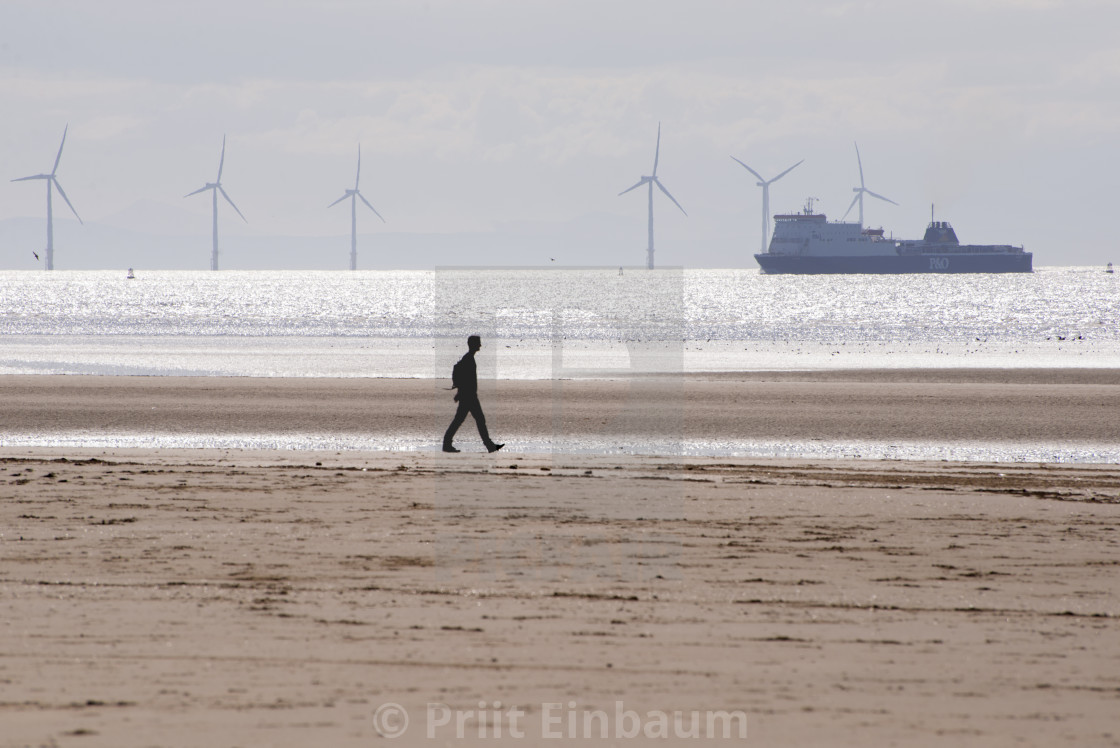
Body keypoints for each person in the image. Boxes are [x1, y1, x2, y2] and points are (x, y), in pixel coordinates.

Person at [443, 335, 504, 453]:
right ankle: (489, 446)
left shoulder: (468, 358)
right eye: (478, 343)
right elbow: (467, 380)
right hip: (469, 397)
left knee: (462, 420)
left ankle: (489, 445)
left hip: (468, 396)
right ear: (474, 345)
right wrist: (461, 393)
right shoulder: (468, 359)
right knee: (476, 420)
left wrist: (459, 393)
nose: (480, 345)